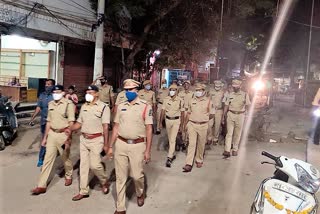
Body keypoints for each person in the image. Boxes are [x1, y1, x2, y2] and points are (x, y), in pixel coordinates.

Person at [107, 79, 153, 214]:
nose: (128, 92)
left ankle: (140, 192)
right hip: (121, 144)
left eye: (131, 90)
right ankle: (120, 207)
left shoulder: (145, 106)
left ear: (137, 90)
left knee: (136, 175)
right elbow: (116, 127)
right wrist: (110, 146)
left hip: (138, 145)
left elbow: (149, 129)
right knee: (120, 177)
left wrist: (148, 151)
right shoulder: (121, 106)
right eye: (126, 90)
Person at [68, 85, 111, 201]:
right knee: (83, 166)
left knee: (95, 165)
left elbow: (106, 127)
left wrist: (106, 145)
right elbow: (79, 123)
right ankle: (83, 191)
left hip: (97, 140)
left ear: (97, 94)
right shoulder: (84, 107)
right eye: (87, 92)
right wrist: (70, 128)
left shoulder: (103, 107)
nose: (88, 94)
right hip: (84, 139)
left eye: (91, 92)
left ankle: (104, 181)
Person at [31, 85, 75, 195]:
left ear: (63, 92)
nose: (55, 93)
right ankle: (41, 185)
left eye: (58, 91)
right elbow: (49, 122)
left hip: (63, 134)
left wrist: (68, 138)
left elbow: (71, 122)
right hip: (52, 134)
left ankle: (68, 174)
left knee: (65, 158)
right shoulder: (51, 104)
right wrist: (45, 138)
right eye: (54, 91)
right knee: (47, 160)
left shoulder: (68, 104)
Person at [182, 83, 214, 172]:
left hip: (203, 125)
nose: (198, 92)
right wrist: (185, 124)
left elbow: (211, 114)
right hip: (192, 124)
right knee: (191, 144)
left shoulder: (208, 101)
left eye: (199, 90)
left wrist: (203, 119)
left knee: (201, 144)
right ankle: (188, 163)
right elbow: (188, 113)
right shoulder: (191, 100)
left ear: (204, 91)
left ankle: (199, 159)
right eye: (196, 90)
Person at [222, 79, 251, 157]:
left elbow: (248, 105)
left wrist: (248, 115)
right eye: (233, 86)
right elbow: (226, 105)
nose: (234, 88)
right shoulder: (230, 94)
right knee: (229, 133)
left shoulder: (245, 95)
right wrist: (223, 116)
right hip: (231, 114)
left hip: (240, 115)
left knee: (237, 133)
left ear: (240, 86)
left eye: (236, 86)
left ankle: (235, 149)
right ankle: (227, 150)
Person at [30, 79, 55, 167]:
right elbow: (39, 107)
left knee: (47, 139)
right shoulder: (42, 95)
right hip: (43, 121)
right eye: (46, 85)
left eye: (49, 85)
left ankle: (42, 158)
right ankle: (42, 158)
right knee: (44, 139)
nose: (47, 86)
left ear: (53, 86)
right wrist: (33, 117)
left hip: (53, 123)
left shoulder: (55, 96)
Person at [160, 84, 184, 167]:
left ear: (177, 91)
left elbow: (182, 113)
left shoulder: (180, 100)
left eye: (174, 90)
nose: (172, 91)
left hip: (176, 121)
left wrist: (182, 125)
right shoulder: (166, 99)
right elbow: (162, 111)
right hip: (168, 120)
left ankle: (169, 157)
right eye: (170, 90)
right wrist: (160, 122)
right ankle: (173, 151)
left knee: (172, 139)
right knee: (170, 138)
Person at [207, 80, 225, 146]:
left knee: (217, 125)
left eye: (219, 86)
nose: (217, 87)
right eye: (216, 86)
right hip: (212, 109)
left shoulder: (223, 92)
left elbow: (224, 102)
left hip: (219, 110)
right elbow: (208, 100)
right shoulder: (211, 91)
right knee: (209, 124)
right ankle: (209, 137)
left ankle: (215, 138)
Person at [178, 80, 194, 149]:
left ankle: (186, 141)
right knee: (181, 126)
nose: (186, 85)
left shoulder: (192, 94)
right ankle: (181, 141)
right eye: (185, 84)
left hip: (189, 111)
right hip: (181, 111)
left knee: (187, 127)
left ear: (189, 85)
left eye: (187, 84)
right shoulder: (180, 93)